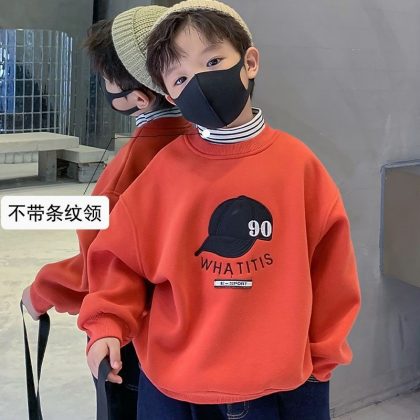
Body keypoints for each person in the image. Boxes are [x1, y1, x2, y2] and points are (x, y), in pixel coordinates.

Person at [78, 1, 361, 419]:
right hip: (173, 385)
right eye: (180, 78)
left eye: (213, 61)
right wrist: (106, 323)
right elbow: (119, 259)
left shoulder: (298, 167)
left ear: (250, 62)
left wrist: (321, 359)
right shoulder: (163, 171)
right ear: (169, 94)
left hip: (277, 386)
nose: (200, 82)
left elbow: (332, 271)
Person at [20, 5, 193, 419]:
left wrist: (43, 289)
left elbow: (102, 261)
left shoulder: (132, 166)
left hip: (132, 340)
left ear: (138, 97)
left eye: (107, 79)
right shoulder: (204, 143)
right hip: (191, 340)